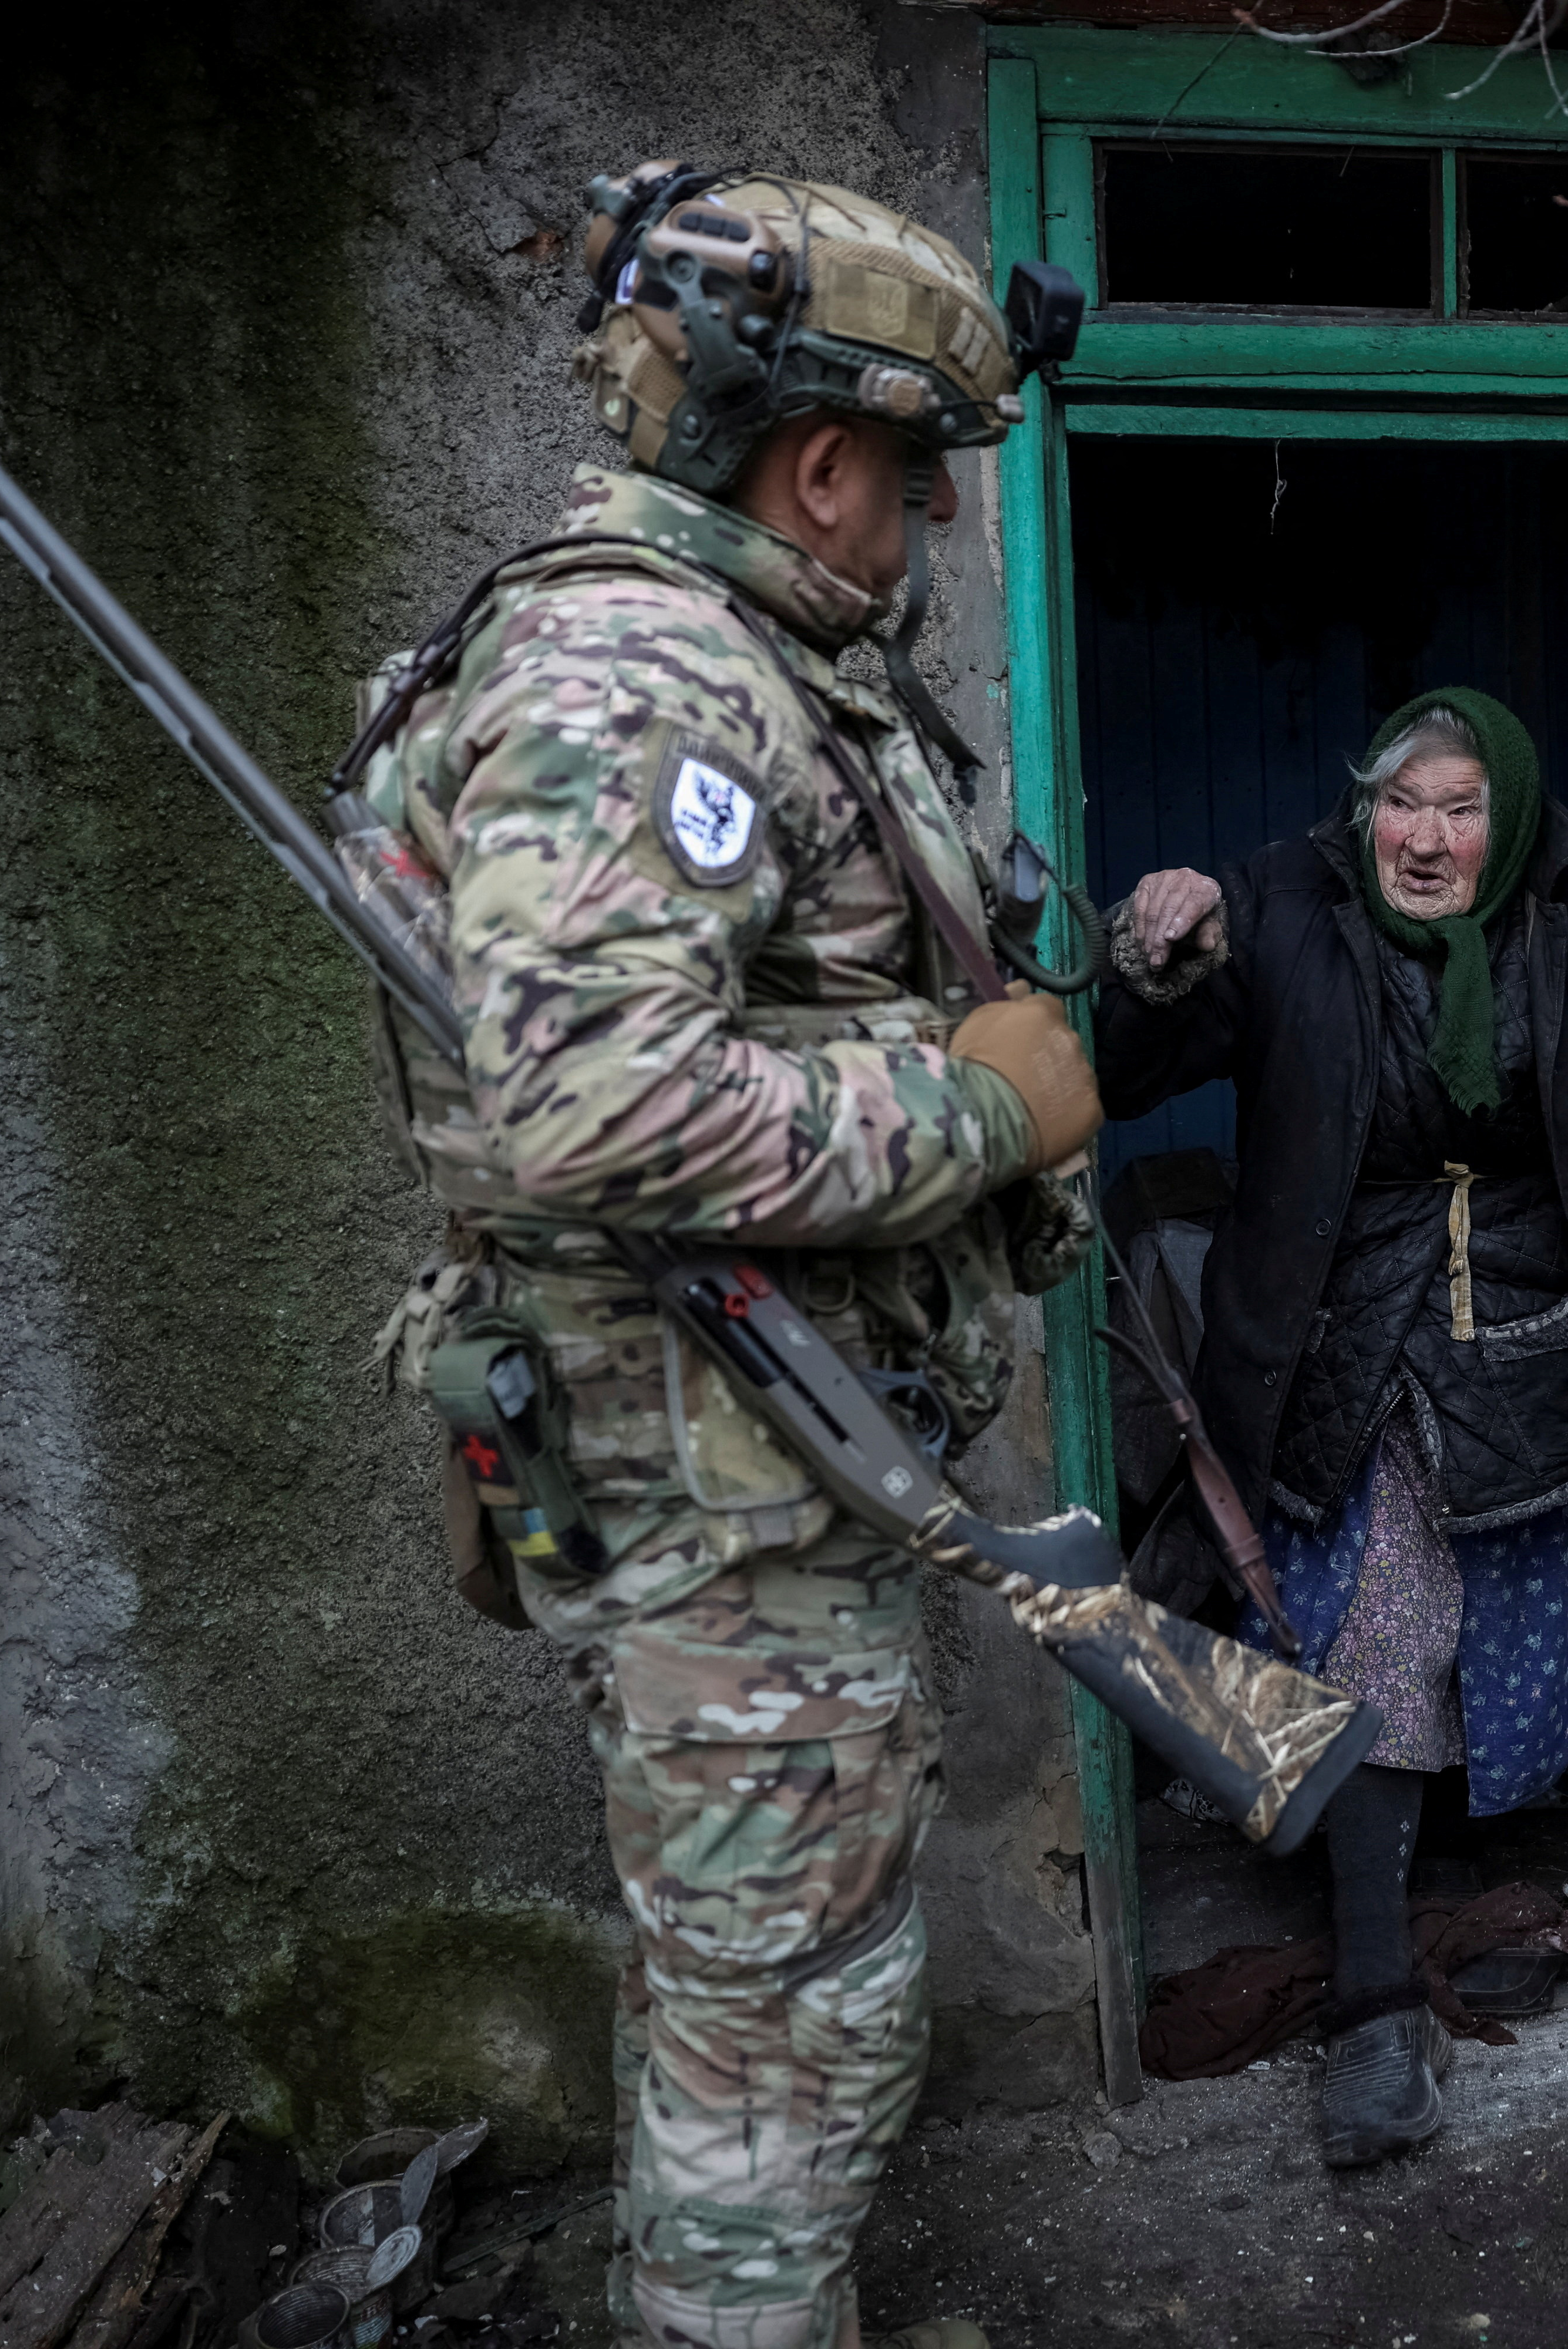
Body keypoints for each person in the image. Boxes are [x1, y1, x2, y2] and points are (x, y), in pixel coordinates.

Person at [348, 163, 1102, 2349]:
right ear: (826, 460)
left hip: (774, 1466)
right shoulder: (641, 666)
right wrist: (980, 1107)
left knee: (759, 2014)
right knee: (785, 2046)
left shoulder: (746, 650)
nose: (937, 531)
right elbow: (599, 1107)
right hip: (717, 1501)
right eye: (928, 482)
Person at [1099, 688, 1568, 2166]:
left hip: (1535, 1342)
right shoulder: (1281, 908)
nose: (1428, 837)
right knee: (1387, 1627)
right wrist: (1156, 959)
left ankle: (1424, 1865)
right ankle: (1378, 1999)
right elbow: (1134, 1067)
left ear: (1505, 823)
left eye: (1461, 809)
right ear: (1362, 810)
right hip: (1346, 1337)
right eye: (1403, 803)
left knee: (1491, 1644)